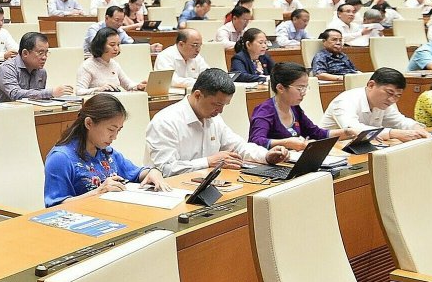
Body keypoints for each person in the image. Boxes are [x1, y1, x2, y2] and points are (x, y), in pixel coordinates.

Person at [146, 68, 288, 176]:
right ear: (197, 95)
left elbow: (238, 147)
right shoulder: (165, 122)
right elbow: (164, 169)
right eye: (216, 104)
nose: (220, 111)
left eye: (224, 105)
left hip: (205, 185)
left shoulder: (213, 118)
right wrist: (208, 162)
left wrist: (266, 155)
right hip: (170, 191)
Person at [43, 94, 168, 206]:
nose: (114, 137)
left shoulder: (106, 152)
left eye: (118, 130)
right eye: (111, 129)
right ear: (89, 123)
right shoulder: (60, 158)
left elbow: (137, 173)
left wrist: (153, 172)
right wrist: (99, 191)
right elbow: (55, 206)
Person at [249, 62, 351, 150]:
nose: (304, 93)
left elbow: (317, 133)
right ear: (280, 88)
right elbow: (256, 141)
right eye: (300, 88)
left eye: (305, 88)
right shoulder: (264, 111)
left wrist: (347, 132)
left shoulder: (294, 108)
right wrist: (285, 143)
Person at [319, 68, 431, 142]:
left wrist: (416, 128)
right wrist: (394, 133)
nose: (392, 100)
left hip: (361, 149)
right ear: (371, 85)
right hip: (334, 151)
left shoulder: (383, 102)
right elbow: (354, 130)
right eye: (389, 93)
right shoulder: (344, 101)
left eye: (398, 95)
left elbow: (399, 121)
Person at [0, 31, 73, 102]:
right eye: (40, 53)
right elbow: (15, 94)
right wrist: (51, 93)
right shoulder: (7, 68)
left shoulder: (41, 72)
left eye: (46, 53)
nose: (44, 57)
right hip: (0, 116)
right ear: (25, 53)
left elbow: (37, 99)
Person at [76, 28, 146, 94]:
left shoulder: (114, 64)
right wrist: (99, 89)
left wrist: (138, 86)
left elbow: (128, 85)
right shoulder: (87, 66)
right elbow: (79, 91)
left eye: (118, 45)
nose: (116, 48)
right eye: (112, 45)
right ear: (100, 45)